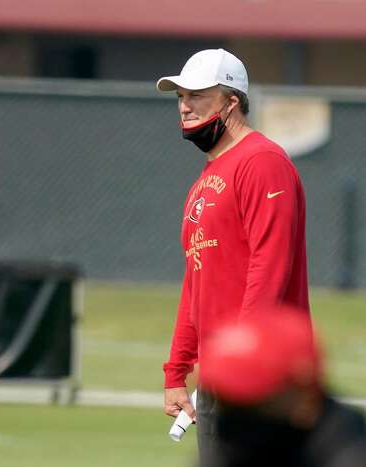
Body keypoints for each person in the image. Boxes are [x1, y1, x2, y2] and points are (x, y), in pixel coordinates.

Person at [155, 48, 310, 464]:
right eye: (180, 97)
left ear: (231, 102)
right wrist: (177, 371)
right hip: (222, 377)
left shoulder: (262, 162)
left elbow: (269, 266)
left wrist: (243, 359)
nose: (185, 106)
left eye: (198, 96)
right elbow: (196, 279)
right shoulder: (207, 179)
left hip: (263, 380)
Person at [199, 307, 366, 467]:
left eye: (251, 402)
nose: (232, 415)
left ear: (305, 398)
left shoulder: (348, 455)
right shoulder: (229, 452)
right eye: (225, 401)